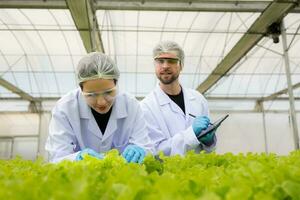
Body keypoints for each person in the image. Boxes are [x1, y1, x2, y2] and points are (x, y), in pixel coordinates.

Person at [45, 52, 153, 163]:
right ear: (81, 89)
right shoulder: (65, 109)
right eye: (91, 95)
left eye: (108, 92)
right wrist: (76, 159)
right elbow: (57, 156)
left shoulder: (130, 105)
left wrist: (141, 151)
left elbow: (146, 146)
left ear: (116, 84)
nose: (101, 102)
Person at [140, 41, 216, 156]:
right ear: (155, 65)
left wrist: (209, 142)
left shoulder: (198, 99)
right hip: (167, 173)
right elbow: (155, 151)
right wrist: (191, 134)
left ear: (181, 65)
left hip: (200, 171)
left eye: (171, 61)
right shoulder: (146, 107)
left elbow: (208, 150)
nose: (165, 66)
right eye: (160, 61)